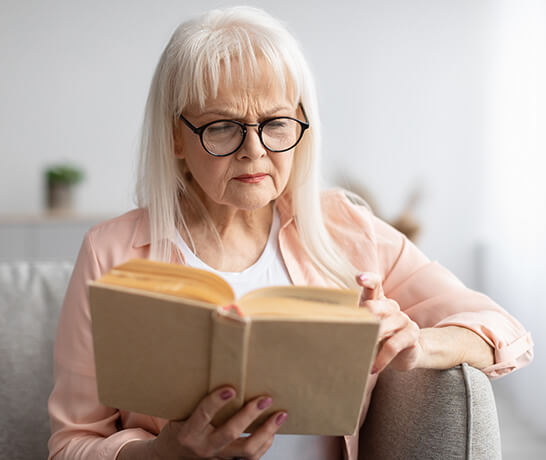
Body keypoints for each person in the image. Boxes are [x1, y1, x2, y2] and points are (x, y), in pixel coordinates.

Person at [47, 6, 533, 460]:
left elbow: (504, 332)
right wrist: (164, 453)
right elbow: (72, 442)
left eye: (276, 123)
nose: (254, 150)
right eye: (222, 128)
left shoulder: (344, 227)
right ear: (176, 136)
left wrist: (419, 345)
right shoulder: (110, 251)